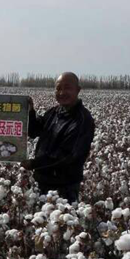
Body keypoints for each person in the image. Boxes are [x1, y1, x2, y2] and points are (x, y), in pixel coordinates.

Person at [21, 72, 95, 202]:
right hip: (42, 180)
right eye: (58, 88)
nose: (62, 92)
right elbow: (34, 131)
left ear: (78, 90)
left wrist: (33, 164)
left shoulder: (82, 121)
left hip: (64, 188)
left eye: (67, 88)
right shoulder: (54, 112)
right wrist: (30, 112)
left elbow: (66, 156)